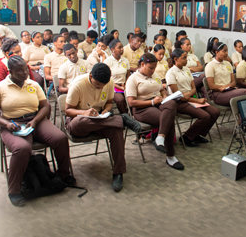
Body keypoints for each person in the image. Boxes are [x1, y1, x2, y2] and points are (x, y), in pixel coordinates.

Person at [0, 56, 74, 207]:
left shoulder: (33, 85)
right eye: (19, 70)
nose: (24, 73)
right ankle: (14, 190)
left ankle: (64, 175)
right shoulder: (0, 88)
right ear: (11, 72)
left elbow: (44, 106)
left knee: (60, 138)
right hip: (12, 123)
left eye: (25, 69)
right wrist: (7, 124)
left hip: (36, 120)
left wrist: (34, 121)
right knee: (22, 148)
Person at [65, 63, 141, 192]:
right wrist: (84, 113)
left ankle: (118, 173)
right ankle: (120, 119)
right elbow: (67, 110)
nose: (101, 88)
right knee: (80, 122)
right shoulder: (78, 84)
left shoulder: (108, 82)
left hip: (101, 119)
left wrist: (105, 111)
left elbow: (109, 103)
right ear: (90, 76)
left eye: (103, 85)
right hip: (79, 121)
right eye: (98, 84)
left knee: (116, 130)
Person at [126, 53, 184, 170]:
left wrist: (164, 96)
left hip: (158, 103)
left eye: (154, 68)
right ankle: (171, 157)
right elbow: (132, 102)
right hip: (142, 108)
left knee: (172, 103)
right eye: (150, 68)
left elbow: (161, 89)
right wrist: (152, 102)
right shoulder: (133, 79)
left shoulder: (155, 75)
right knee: (168, 119)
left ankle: (160, 138)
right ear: (142, 64)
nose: (153, 70)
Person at [166, 48, 220, 146]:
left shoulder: (187, 69)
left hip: (190, 98)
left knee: (215, 112)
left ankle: (197, 134)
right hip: (179, 103)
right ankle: (186, 137)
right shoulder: (171, 73)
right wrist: (196, 100)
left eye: (186, 57)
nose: (187, 60)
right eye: (184, 58)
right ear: (175, 59)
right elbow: (178, 96)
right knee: (205, 116)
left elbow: (194, 88)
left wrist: (189, 94)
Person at [103, 38, 130, 114]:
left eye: (122, 47)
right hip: (113, 87)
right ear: (112, 49)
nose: (122, 49)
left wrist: (126, 85)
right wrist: (119, 87)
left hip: (124, 85)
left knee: (132, 97)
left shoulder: (125, 60)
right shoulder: (108, 61)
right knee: (120, 100)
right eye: (119, 47)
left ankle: (132, 114)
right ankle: (126, 117)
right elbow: (107, 79)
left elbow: (128, 76)